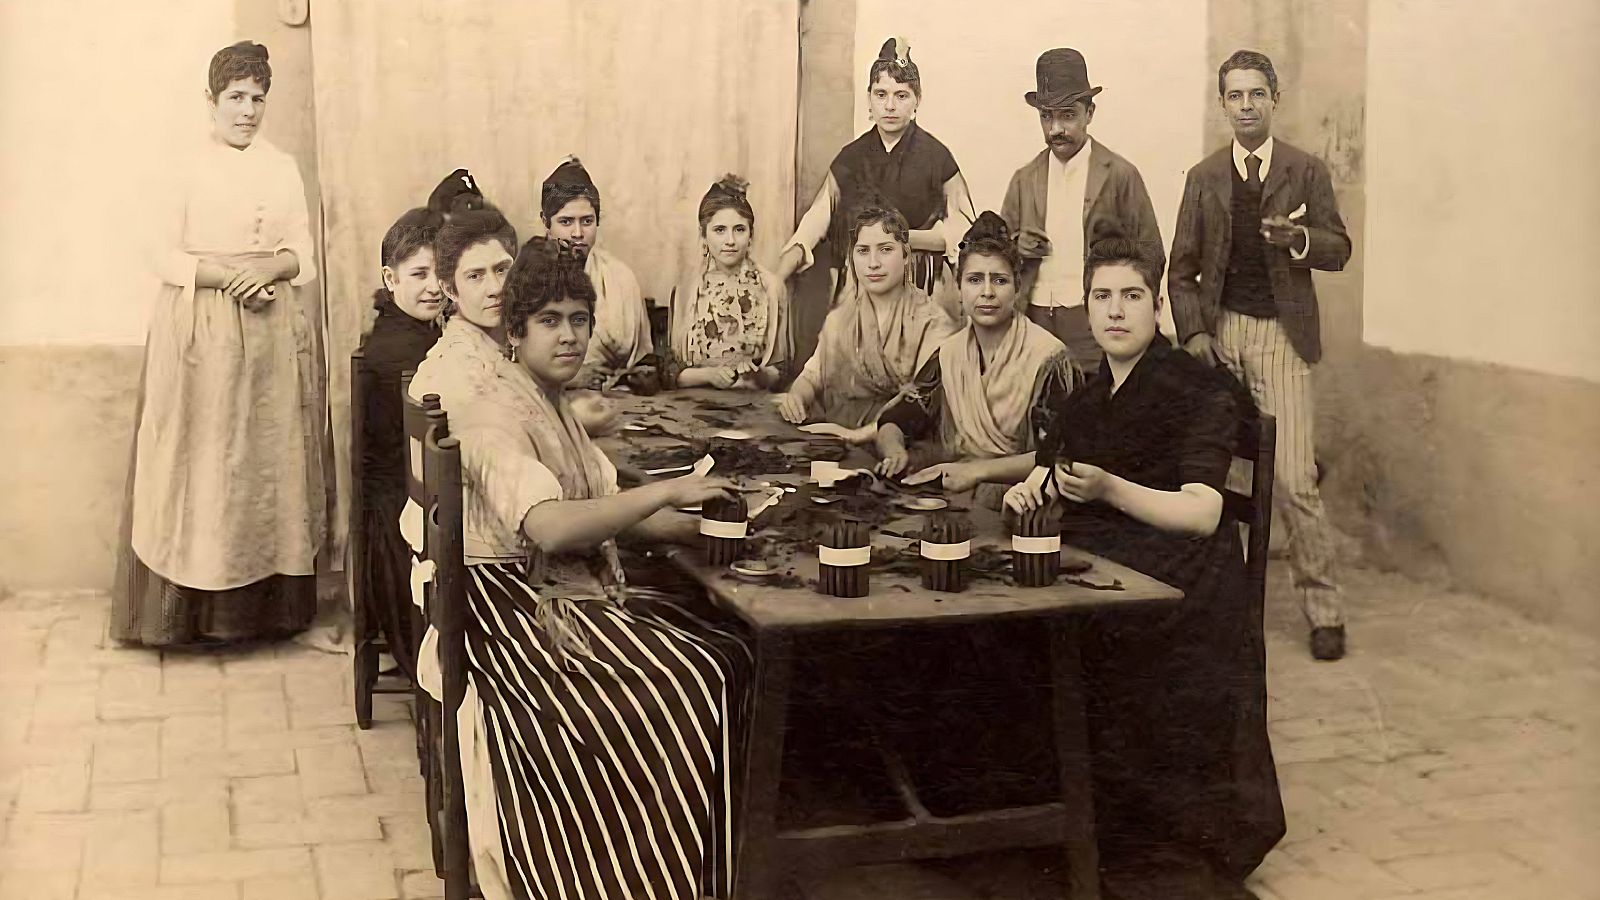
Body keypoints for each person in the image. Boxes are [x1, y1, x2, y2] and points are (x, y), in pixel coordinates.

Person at [408, 235, 749, 900]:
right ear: (515, 331)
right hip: (507, 608)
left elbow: (601, 509)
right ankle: (634, 880)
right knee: (694, 679)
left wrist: (706, 528)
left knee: (731, 648)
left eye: (579, 320)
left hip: (553, 585)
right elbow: (549, 525)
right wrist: (664, 492)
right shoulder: (492, 408)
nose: (568, 337)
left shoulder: (549, 397)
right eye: (550, 321)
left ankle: (709, 870)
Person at [1005, 238, 1283, 897]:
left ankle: (1104, 818)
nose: (1115, 311)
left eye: (1131, 296)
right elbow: (1055, 468)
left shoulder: (1198, 387)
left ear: (1156, 306)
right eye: (1102, 297)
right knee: (1014, 617)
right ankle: (1045, 810)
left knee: (1058, 628)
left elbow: (1202, 514)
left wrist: (1108, 489)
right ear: (1086, 307)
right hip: (1121, 557)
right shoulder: (1090, 391)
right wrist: (1032, 489)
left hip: (1185, 578)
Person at [112, 41, 324, 646]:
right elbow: (160, 254)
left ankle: (264, 614)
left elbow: (303, 251)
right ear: (211, 101)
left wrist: (271, 268)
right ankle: (193, 617)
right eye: (236, 98)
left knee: (265, 461)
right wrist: (228, 277)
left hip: (269, 326)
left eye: (258, 99)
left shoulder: (281, 167)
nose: (248, 111)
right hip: (201, 330)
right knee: (205, 461)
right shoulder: (183, 166)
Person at [1169, 50, 1352, 661]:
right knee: (1206, 475)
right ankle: (1210, 606)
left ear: (1275, 99)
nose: (1245, 106)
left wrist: (1299, 240)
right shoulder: (1203, 177)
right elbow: (1181, 269)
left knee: (1295, 479)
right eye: (1235, 96)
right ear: (1222, 103)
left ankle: (1324, 611)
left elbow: (1339, 247)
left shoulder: (1305, 170)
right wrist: (1195, 334)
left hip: (1280, 336)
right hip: (1220, 335)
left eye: (1256, 94)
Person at [874, 211, 1082, 506]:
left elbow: (1060, 455)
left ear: (1017, 288)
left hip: (1026, 499)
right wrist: (894, 451)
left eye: (999, 280)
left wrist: (976, 471)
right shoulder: (950, 354)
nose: (987, 292)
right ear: (959, 289)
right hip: (959, 489)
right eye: (974, 280)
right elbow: (897, 419)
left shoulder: (1050, 359)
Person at [1002, 48, 1164, 373]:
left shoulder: (1119, 175)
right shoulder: (1025, 179)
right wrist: (1016, 247)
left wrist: (1122, 311)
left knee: (1095, 398)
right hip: (1033, 322)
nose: (1055, 128)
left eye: (1068, 115)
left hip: (1093, 324)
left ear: (1090, 113)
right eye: (1046, 116)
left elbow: (1151, 255)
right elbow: (997, 257)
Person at [774, 37, 975, 298]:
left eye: (901, 96)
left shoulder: (937, 158)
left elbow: (963, 232)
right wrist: (782, 270)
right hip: (860, 285)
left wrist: (903, 238)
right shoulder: (851, 158)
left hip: (919, 284)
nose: (890, 106)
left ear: (917, 100)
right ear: (869, 99)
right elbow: (817, 218)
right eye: (881, 95)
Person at [354, 206, 445, 681]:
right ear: (390, 278)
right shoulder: (406, 353)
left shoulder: (411, 332)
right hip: (402, 525)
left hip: (406, 502)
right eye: (419, 274)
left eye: (441, 273)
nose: (434, 287)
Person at [775, 204, 959, 436]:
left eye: (885, 250)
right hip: (837, 431)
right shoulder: (841, 318)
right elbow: (811, 377)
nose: (873, 263)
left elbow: (921, 403)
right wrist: (797, 398)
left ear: (905, 255)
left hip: (901, 436)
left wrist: (861, 435)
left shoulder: (932, 321)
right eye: (863, 251)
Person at [667, 175, 792, 390]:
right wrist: (707, 376)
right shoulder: (685, 291)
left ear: (751, 235)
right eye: (720, 230)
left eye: (739, 229)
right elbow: (669, 373)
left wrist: (759, 376)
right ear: (703, 235)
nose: (730, 241)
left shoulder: (772, 288)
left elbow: (782, 370)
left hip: (753, 401)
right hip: (693, 401)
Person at [540, 156, 654, 388]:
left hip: (615, 397)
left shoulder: (620, 278)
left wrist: (638, 376)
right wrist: (569, 379)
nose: (577, 233)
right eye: (566, 222)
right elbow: (510, 370)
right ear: (546, 222)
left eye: (587, 221)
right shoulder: (525, 278)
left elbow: (643, 358)